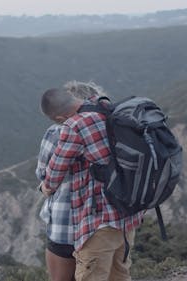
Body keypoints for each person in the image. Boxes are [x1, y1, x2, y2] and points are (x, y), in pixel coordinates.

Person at [40, 87, 143, 281]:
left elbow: (54, 173)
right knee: (120, 276)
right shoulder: (103, 104)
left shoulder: (75, 126)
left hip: (99, 224)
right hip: (128, 218)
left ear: (61, 119)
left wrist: (46, 187)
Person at [36, 81, 107, 281]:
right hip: (107, 221)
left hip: (66, 223)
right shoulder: (108, 122)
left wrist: (45, 187)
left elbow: (45, 175)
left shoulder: (58, 132)